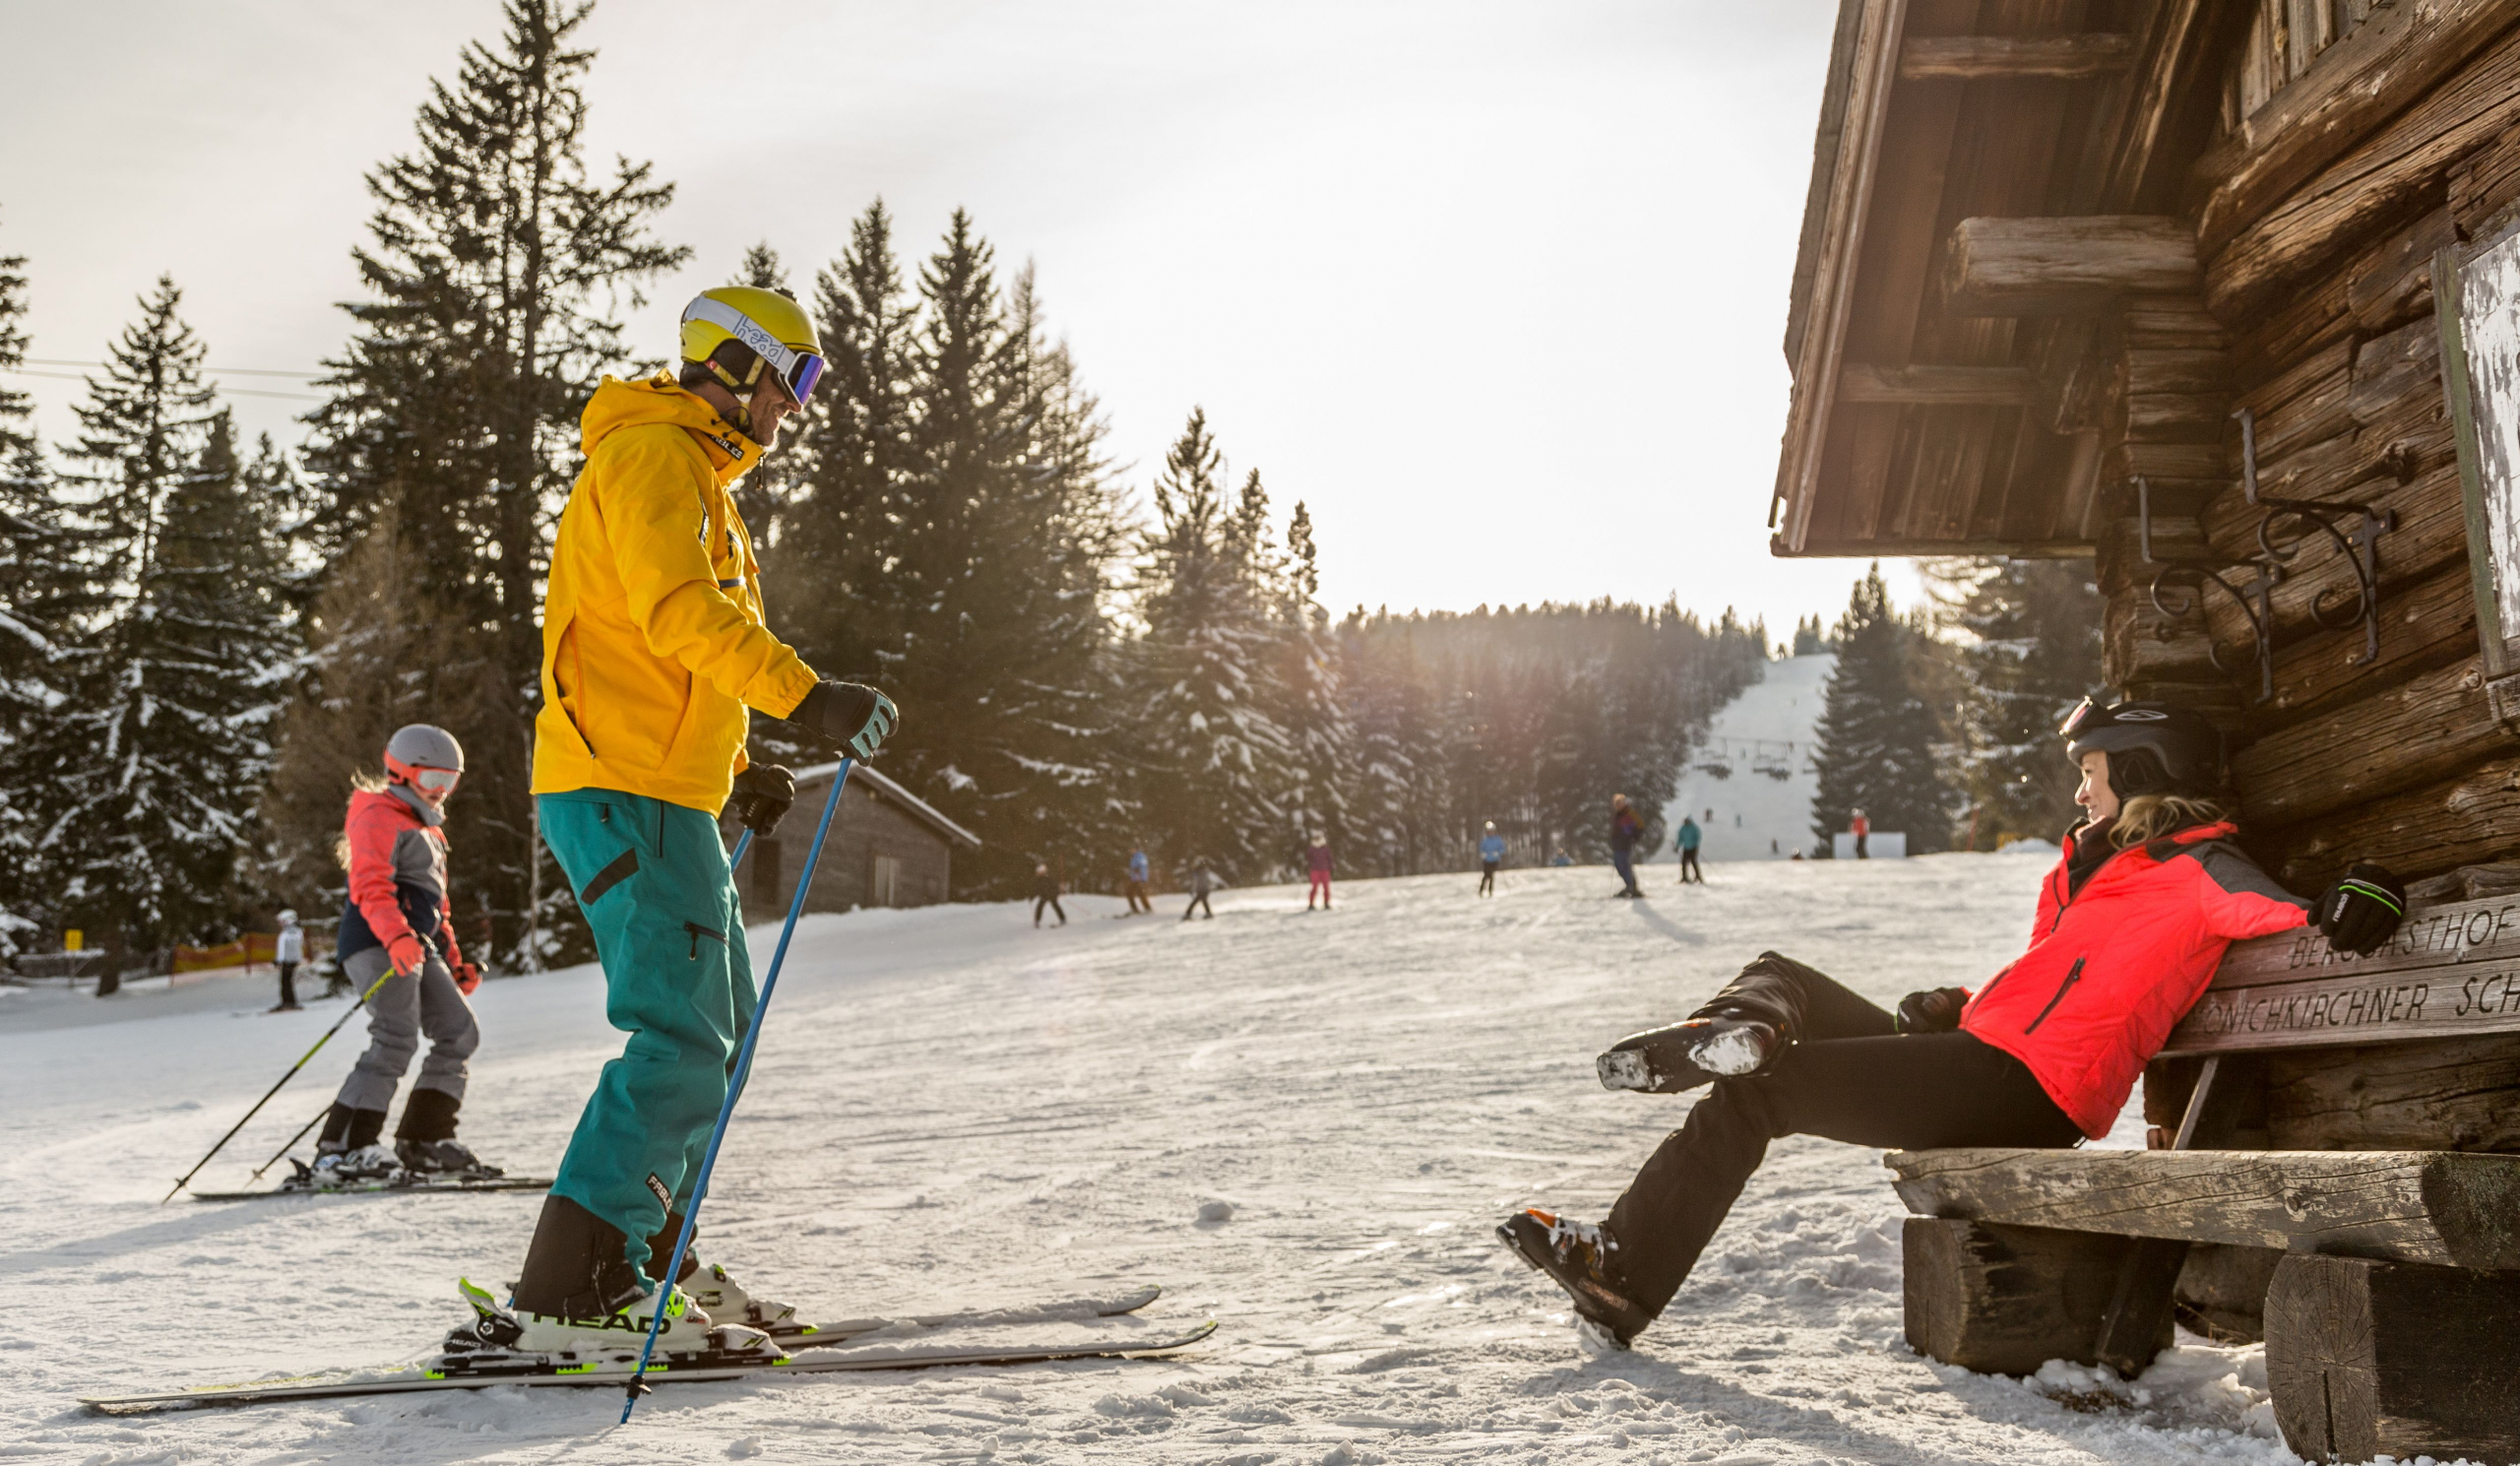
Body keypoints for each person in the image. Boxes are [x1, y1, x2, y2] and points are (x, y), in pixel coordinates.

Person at [1497, 698, 2409, 1351]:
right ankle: (1739, 1029)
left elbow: (2300, 911)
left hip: (2029, 1092)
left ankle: (1626, 1264)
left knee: (1764, 1092)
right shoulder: (2083, 876)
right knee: (1783, 975)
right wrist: (1957, 1007)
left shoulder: (2202, 870)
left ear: (2140, 770)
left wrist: (2369, 889)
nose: (2080, 793)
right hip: (1982, 1055)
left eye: (2089, 774)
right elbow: (2048, 987)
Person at [481, 287, 902, 1362]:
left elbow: (671, 651)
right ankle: (575, 1289)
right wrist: (806, 696)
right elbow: (678, 612)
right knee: (679, 1035)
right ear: (738, 362)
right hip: (624, 785)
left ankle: (651, 1253)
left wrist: (741, 765)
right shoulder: (652, 455)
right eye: (796, 377)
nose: (799, 404)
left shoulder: (699, 476)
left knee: (723, 1035)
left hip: (670, 790)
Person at [314, 725, 488, 1183]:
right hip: (376, 940)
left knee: (458, 1031)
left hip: (415, 944)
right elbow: (370, 885)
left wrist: (455, 964)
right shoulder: (378, 814)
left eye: (450, 781)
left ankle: (424, 1140)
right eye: (433, 779)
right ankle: (343, 1150)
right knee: (395, 1037)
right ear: (401, 772)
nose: (441, 791)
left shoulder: (426, 827)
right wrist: (396, 938)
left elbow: (436, 908)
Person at [1607, 795, 1645, 899]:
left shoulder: (1630, 813)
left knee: (1625, 865)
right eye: (1616, 804)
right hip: (1617, 844)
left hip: (1626, 844)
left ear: (1624, 803)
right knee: (1620, 866)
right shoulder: (1618, 815)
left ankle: (1631, 887)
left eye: (1620, 803)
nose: (1618, 805)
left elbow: (1641, 825)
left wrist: (1634, 837)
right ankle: (1630, 886)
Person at [270, 909, 305, 1013]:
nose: (280, 923)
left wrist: (282, 960)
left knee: (286, 981)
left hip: (289, 961)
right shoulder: (291, 931)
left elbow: (288, 948)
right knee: (286, 981)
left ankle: (289, 1002)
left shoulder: (291, 932)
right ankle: (288, 1001)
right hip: (289, 960)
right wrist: (278, 959)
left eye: (282, 921)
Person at [1033, 863, 1066, 927]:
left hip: (1052, 895)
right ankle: (1037, 921)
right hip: (1044, 896)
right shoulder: (1039, 879)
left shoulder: (1049, 878)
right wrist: (1032, 896)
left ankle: (1063, 919)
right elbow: (1037, 889)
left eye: (1039, 872)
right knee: (1039, 907)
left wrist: (1055, 893)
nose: (1038, 873)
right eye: (1038, 872)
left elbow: (1055, 886)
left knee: (1056, 906)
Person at [1306, 834, 1333, 911]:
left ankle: (1326, 903)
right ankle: (1311, 904)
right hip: (1315, 870)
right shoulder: (1312, 848)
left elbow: (1329, 858)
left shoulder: (1325, 848)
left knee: (1326, 887)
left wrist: (1331, 867)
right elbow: (1308, 857)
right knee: (1314, 887)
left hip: (1325, 870)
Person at [1478, 821, 1505, 897]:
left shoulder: (1498, 839)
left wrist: (1498, 853)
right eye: (1488, 831)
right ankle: (1481, 890)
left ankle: (1490, 891)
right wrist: (1483, 854)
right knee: (1486, 875)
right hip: (1487, 860)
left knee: (1491, 875)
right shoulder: (1485, 840)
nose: (1490, 833)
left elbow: (1502, 849)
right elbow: (1481, 849)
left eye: (1491, 831)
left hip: (1495, 860)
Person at [1674, 816, 1703, 885]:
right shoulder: (1683, 828)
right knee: (1684, 863)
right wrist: (1677, 846)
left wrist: (1696, 845)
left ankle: (1698, 876)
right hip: (1686, 848)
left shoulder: (1694, 828)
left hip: (1693, 848)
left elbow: (1697, 837)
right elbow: (1680, 838)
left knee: (1693, 862)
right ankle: (1684, 877)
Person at [1124, 848, 1152, 915]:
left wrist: (1139, 870)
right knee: (1130, 893)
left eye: (1132, 848)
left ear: (1136, 848)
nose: (1131, 850)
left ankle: (1148, 909)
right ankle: (1135, 909)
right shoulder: (1134, 857)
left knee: (1141, 893)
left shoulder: (1140, 856)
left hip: (1140, 879)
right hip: (1135, 879)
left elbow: (1143, 865)